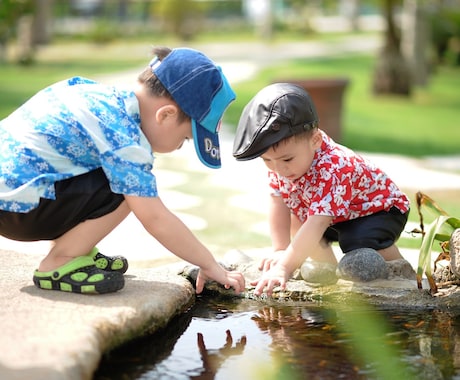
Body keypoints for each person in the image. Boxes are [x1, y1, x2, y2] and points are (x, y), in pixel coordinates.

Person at [0, 46, 245, 295]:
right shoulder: (125, 137)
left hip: (12, 199)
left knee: (110, 174)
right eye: (185, 139)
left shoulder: (96, 95)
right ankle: (61, 261)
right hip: (19, 211)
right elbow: (155, 218)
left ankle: (75, 248)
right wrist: (209, 264)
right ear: (167, 115)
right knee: (130, 190)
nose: (179, 147)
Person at [232, 83, 410, 296]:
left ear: (315, 140)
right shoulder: (282, 164)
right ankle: (327, 275)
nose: (279, 169)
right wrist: (280, 249)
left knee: (357, 242)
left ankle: (400, 272)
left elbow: (318, 222)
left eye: (287, 159)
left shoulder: (334, 167)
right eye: (267, 160)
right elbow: (277, 202)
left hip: (379, 211)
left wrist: (283, 268)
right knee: (298, 220)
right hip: (337, 215)